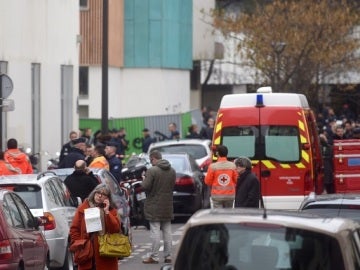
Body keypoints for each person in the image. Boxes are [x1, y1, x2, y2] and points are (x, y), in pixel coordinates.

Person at [69, 183, 121, 270]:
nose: (99, 196)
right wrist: (79, 243)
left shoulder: (111, 210)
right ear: (94, 193)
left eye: (103, 194)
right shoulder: (83, 208)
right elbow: (74, 229)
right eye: (98, 193)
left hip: (105, 252)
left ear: (108, 198)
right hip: (87, 252)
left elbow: (115, 229)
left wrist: (107, 212)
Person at [141, 150, 176, 264]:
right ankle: (168, 256)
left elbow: (145, 186)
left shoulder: (152, 170)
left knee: (155, 231)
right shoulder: (172, 170)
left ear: (153, 158)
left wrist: (143, 179)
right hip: (167, 204)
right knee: (167, 231)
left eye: (151, 160)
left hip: (154, 205)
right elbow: (172, 186)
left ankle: (154, 256)